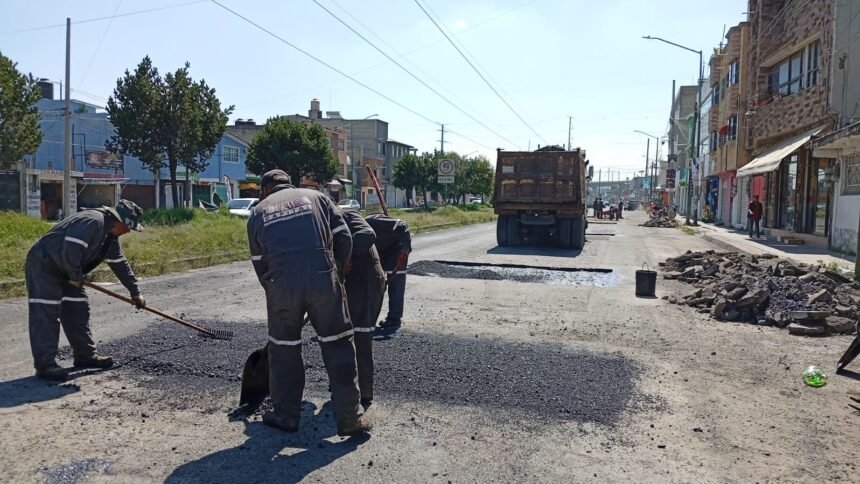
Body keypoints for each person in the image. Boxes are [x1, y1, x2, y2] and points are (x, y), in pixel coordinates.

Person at [246, 169, 370, 436]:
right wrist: (335, 271)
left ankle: (285, 415)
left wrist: (276, 290)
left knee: (284, 348)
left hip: (280, 284)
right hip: (323, 277)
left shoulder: (257, 212)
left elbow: (260, 263)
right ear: (289, 184)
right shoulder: (317, 197)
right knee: (338, 343)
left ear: (265, 190)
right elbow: (344, 236)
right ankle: (350, 417)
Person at [25, 200, 146, 381]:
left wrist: (135, 292)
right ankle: (45, 365)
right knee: (46, 313)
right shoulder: (93, 221)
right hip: (45, 266)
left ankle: (85, 356)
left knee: (78, 309)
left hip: (69, 270)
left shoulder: (110, 238)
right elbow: (71, 247)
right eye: (129, 227)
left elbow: (120, 264)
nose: (128, 231)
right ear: (120, 221)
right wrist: (75, 275)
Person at [341, 209, 386, 408]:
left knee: (361, 335)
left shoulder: (347, 215)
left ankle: (363, 392)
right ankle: (347, 387)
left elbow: (367, 234)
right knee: (347, 334)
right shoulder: (321, 227)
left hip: (366, 281)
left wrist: (347, 257)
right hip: (353, 283)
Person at [366, 214, 412, 329]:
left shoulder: (371, 222)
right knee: (375, 286)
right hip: (380, 252)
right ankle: (369, 319)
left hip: (397, 250)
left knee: (396, 285)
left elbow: (401, 225)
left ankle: (394, 319)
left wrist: (405, 248)